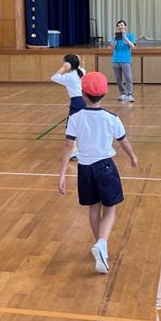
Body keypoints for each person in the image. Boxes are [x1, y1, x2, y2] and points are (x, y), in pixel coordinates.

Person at [59, 72, 138, 274]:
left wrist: (62, 174)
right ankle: (102, 244)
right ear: (105, 92)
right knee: (110, 209)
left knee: (93, 208)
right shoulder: (111, 118)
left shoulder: (74, 118)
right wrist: (132, 156)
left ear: (83, 93)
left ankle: (100, 245)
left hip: (84, 170)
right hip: (105, 168)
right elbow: (123, 141)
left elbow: (68, 146)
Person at [51, 53, 86, 160]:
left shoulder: (69, 77)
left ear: (68, 64)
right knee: (80, 125)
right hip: (84, 100)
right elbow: (80, 68)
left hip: (77, 102)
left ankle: (74, 151)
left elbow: (54, 77)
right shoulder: (82, 72)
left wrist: (63, 68)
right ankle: (80, 149)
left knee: (71, 127)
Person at [109, 20, 136, 102]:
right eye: (119, 25)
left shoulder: (130, 35)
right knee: (118, 79)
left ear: (125, 26)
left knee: (128, 78)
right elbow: (111, 48)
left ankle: (130, 94)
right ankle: (122, 94)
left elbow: (133, 46)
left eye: (122, 25)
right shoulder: (114, 37)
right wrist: (115, 40)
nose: (120, 27)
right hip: (115, 60)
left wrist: (125, 38)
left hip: (125, 60)